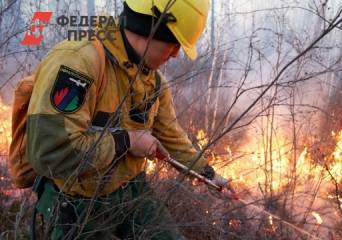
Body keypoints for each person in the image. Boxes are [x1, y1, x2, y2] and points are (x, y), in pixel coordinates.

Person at [27, 0, 227, 239]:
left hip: (131, 190)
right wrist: (127, 141)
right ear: (149, 27)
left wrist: (207, 174)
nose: (176, 54)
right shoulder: (78, 62)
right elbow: (49, 152)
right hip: (77, 202)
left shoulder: (153, 81)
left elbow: (171, 135)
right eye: (174, 43)